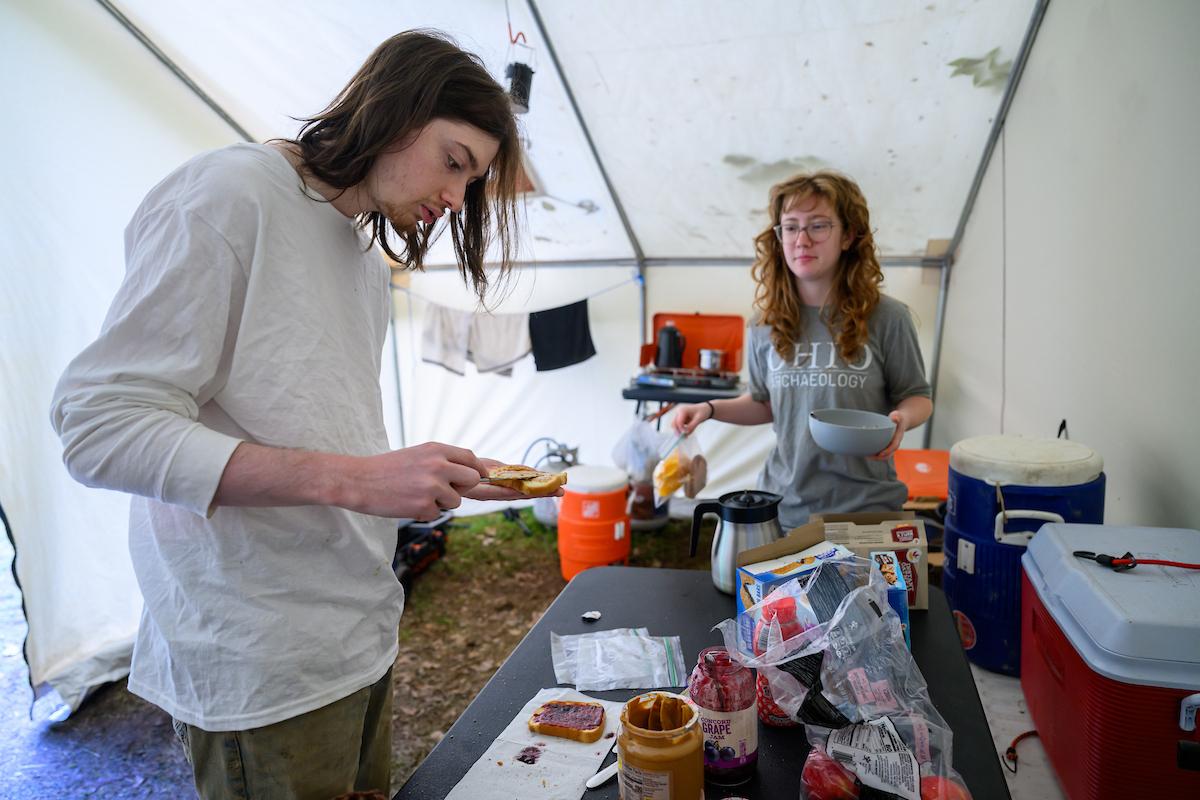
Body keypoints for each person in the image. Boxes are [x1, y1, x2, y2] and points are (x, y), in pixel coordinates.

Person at [49, 31, 545, 799]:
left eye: (470, 180)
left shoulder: (356, 251)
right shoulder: (231, 195)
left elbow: (312, 421)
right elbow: (100, 425)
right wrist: (356, 481)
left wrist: (419, 475)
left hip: (354, 632)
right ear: (396, 110)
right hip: (261, 658)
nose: (456, 198)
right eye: (454, 162)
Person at [673, 171, 932, 530]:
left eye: (818, 225)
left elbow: (917, 396)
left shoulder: (888, 317)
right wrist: (709, 408)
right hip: (785, 505)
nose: (802, 240)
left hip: (867, 510)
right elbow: (764, 404)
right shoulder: (765, 324)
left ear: (849, 236)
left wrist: (903, 418)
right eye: (790, 227)